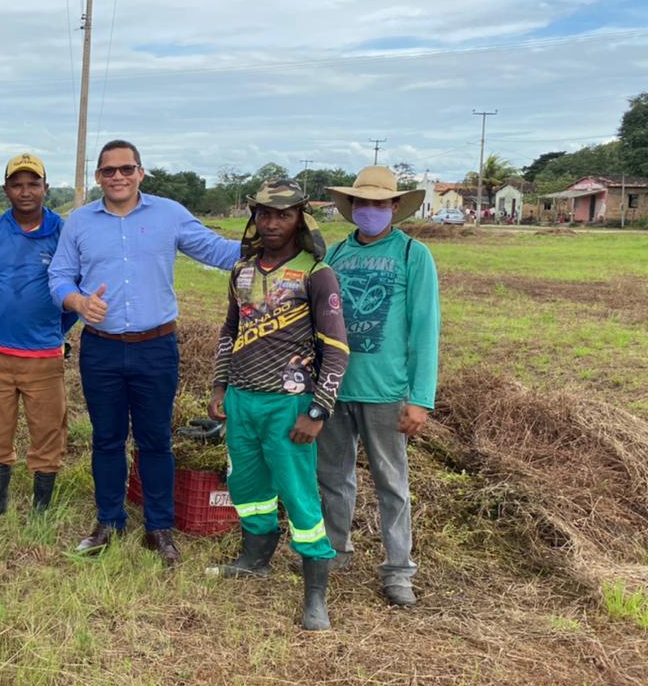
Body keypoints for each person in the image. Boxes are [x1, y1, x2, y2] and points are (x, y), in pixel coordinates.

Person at [48, 139, 241, 566]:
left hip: (155, 347)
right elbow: (59, 275)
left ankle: (159, 528)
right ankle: (109, 521)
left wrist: (272, 245)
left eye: (126, 168)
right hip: (101, 348)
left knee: (155, 440)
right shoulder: (79, 223)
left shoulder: (169, 214)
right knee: (107, 439)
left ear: (141, 173)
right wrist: (78, 302)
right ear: (97, 177)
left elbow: (218, 251)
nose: (118, 176)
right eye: (108, 170)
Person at [208, 181, 349, 631]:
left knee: (301, 499)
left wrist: (318, 411)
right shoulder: (242, 271)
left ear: (299, 219)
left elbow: (337, 349)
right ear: (254, 217)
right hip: (242, 402)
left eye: (283, 215)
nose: (272, 223)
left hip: (290, 406)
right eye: (265, 214)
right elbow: (230, 333)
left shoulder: (316, 273)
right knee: (248, 488)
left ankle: (315, 598)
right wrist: (218, 388)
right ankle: (255, 559)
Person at [318, 166, 439, 607]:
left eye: (380, 203)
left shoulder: (413, 255)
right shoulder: (334, 256)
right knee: (333, 477)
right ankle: (334, 551)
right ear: (351, 208)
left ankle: (398, 570)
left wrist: (420, 399)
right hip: (334, 389)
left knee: (392, 483)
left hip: (387, 393)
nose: (370, 210)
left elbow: (425, 329)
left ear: (394, 207)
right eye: (362, 203)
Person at [0, 153, 77, 523]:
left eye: (33, 183)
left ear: (45, 188)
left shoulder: (63, 233)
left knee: (48, 433)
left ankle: (41, 507)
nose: (25, 191)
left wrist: (57, 332)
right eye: (17, 184)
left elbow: (78, 292)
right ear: (6, 189)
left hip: (43, 358)